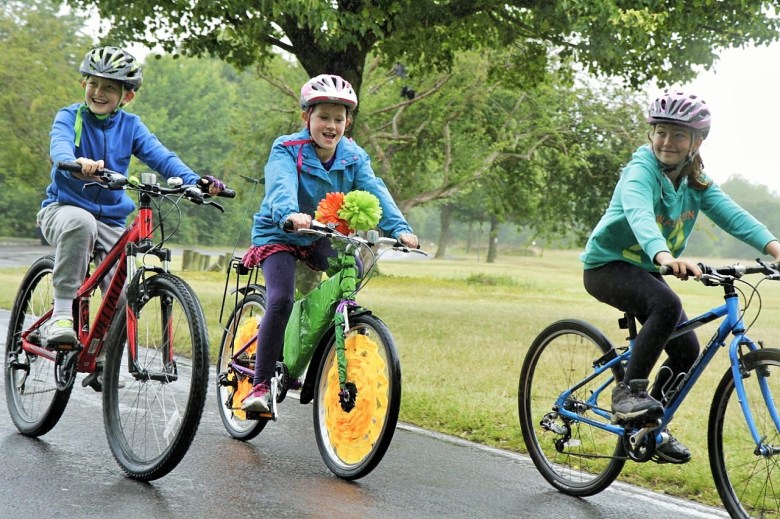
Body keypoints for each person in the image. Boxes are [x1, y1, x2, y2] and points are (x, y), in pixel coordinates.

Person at [580, 91, 780, 464]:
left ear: (697, 142)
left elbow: (732, 215)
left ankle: (649, 428)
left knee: (687, 348)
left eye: (678, 135)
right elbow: (639, 213)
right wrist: (665, 256)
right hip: (606, 266)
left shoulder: (695, 180)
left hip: (646, 268)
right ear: (651, 134)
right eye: (661, 132)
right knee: (667, 304)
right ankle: (628, 394)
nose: (667, 142)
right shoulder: (640, 170)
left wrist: (775, 248)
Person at [240, 74, 418, 413]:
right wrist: (289, 213)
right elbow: (280, 184)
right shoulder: (287, 148)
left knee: (352, 272)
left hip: (323, 234)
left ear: (347, 123)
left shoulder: (353, 156)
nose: (331, 125)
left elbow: (375, 190)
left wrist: (400, 229)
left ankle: (311, 348)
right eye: (323, 117)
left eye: (339, 118)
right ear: (306, 117)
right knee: (281, 298)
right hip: (280, 232)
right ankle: (260, 385)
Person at [38, 46, 226, 352]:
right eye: (93, 83)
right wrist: (75, 162)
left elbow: (162, 157)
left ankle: (102, 358)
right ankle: (60, 315)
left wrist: (194, 181)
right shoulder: (70, 116)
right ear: (84, 84)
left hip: (110, 220)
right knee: (82, 223)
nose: (99, 92)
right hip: (63, 209)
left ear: (127, 96)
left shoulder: (131, 126)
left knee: (124, 295)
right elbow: (59, 146)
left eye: (109, 88)